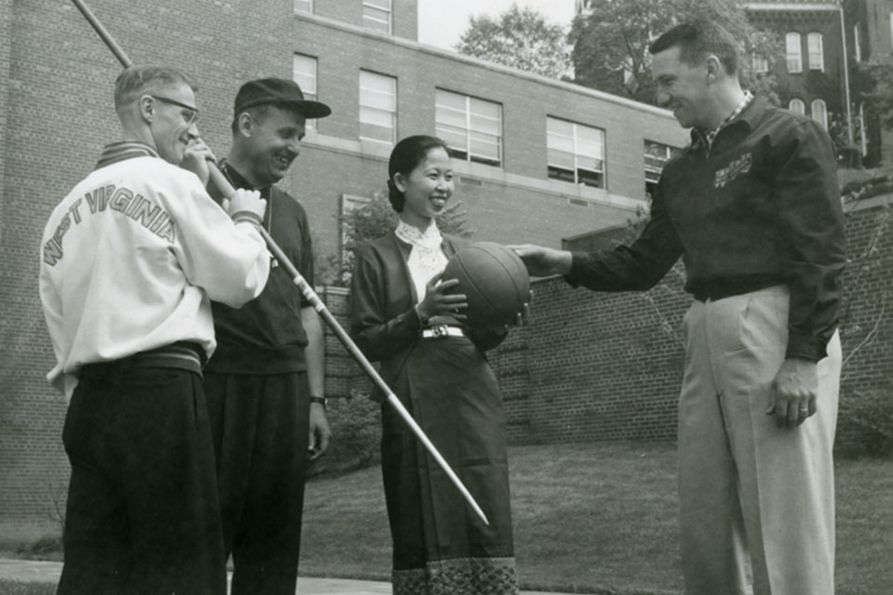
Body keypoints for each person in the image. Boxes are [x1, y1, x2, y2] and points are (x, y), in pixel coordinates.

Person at [512, 20, 845, 595]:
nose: (660, 96)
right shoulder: (680, 170)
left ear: (711, 68)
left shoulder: (786, 136)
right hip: (705, 333)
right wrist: (564, 263)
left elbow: (820, 254)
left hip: (774, 327)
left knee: (785, 519)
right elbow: (642, 264)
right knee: (706, 519)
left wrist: (802, 358)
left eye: (668, 80)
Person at [38, 65, 271, 595]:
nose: (193, 129)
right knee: (180, 564)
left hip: (90, 404)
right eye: (185, 115)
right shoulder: (171, 183)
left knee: (97, 569)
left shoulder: (62, 210)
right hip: (162, 392)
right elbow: (238, 278)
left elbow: (57, 319)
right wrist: (245, 217)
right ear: (148, 109)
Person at [350, 135, 520, 594]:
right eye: (433, 174)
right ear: (401, 181)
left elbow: (481, 336)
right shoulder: (374, 255)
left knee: (484, 496)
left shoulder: (467, 254)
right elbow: (365, 341)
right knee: (418, 503)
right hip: (412, 391)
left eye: (450, 176)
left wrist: (505, 320)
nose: (444, 185)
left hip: (471, 387)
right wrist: (420, 313)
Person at [202, 77, 332, 595]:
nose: (294, 147)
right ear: (246, 124)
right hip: (217, 381)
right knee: (204, 538)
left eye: (300, 136)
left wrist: (315, 398)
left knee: (274, 549)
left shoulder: (295, 213)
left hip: (285, 387)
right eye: (285, 133)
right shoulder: (199, 189)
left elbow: (309, 312)